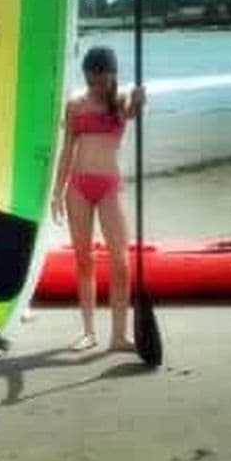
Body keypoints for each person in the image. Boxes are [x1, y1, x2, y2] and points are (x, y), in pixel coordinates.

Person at [51, 46, 146, 352]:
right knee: (83, 259)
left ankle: (119, 335)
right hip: (78, 187)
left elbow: (133, 111)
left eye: (101, 80)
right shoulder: (75, 106)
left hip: (109, 185)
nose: (95, 86)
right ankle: (88, 332)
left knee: (121, 261)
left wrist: (141, 100)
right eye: (91, 80)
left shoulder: (120, 103)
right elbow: (67, 151)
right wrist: (56, 193)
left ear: (112, 76)